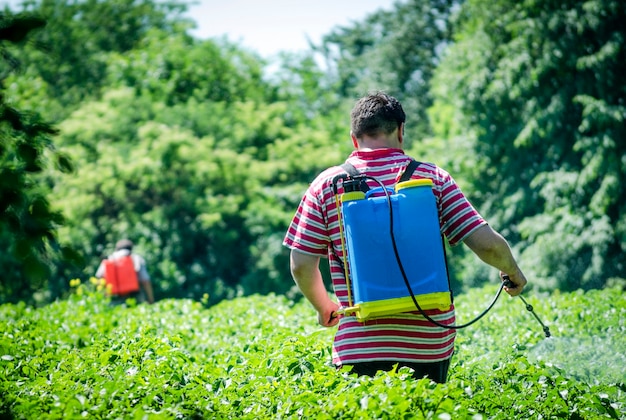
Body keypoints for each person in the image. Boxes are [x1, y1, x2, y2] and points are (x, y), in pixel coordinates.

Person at [283, 91, 527, 383]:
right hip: (428, 346)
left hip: (360, 348)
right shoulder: (432, 178)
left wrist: (324, 308)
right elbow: (486, 244)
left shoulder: (326, 185)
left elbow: (300, 264)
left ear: (353, 138)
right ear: (401, 131)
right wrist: (512, 271)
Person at [95, 239, 155, 304]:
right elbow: (145, 281)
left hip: (114, 299)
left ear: (116, 249)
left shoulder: (109, 259)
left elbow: (99, 278)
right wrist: (151, 300)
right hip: (134, 297)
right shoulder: (135, 258)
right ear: (131, 249)